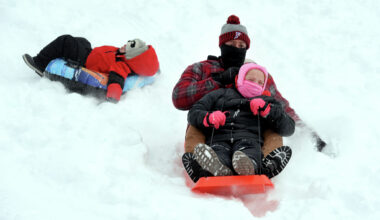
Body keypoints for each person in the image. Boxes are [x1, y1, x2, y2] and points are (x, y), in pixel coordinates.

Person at [172, 15, 304, 182]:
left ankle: (263, 164)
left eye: (241, 45)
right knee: (195, 123)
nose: (237, 48)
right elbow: (179, 97)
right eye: (231, 45)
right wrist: (218, 80)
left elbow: (281, 107)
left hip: (250, 132)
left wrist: (308, 133)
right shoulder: (201, 68)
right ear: (222, 45)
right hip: (212, 129)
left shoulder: (256, 74)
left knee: (272, 123)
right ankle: (201, 164)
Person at [188, 63, 295, 177]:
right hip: (219, 138)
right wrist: (208, 117)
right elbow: (194, 112)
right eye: (251, 80)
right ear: (239, 79)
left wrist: (268, 110)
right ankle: (218, 168)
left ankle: (249, 167)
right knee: (218, 152)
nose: (255, 84)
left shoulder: (268, 101)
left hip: (249, 139)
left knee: (248, 153)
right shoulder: (219, 94)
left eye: (260, 83)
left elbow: (289, 128)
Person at [22, 34, 159, 102]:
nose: (124, 45)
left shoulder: (121, 66)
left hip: (84, 61)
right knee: (82, 40)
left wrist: (113, 96)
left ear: (132, 58)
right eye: (127, 43)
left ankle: (39, 63)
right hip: (90, 52)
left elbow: (116, 80)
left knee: (65, 41)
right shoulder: (122, 56)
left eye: (128, 48)